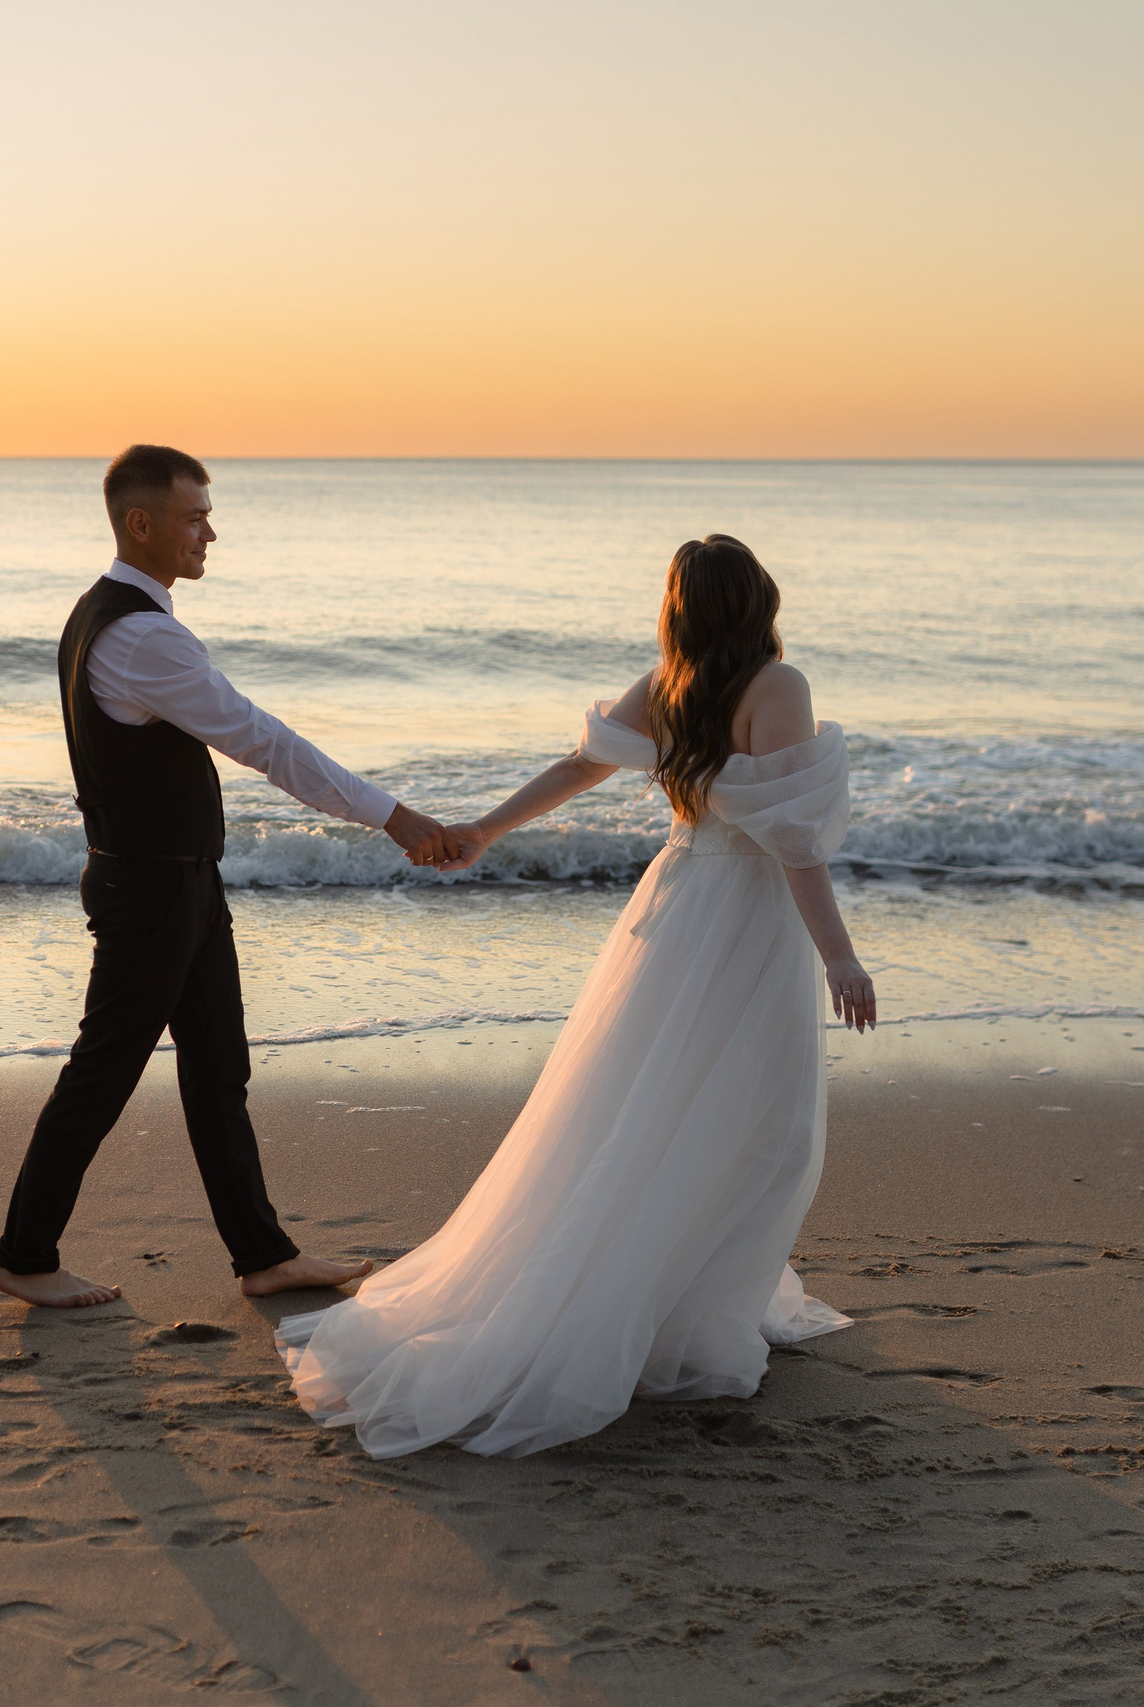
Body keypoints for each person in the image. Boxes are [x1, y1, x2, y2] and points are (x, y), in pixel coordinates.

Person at [274, 534, 874, 1456]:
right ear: (760, 597)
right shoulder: (776, 687)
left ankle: (680, 1301)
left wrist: (488, 825)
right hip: (743, 916)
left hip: (678, 910)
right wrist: (839, 955)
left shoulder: (669, 680)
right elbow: (793, 838)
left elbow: (579, 765)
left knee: (649, 1113)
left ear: (682, 608)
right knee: (762, 1123)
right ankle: (687, 1322)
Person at [0, 446, 460, 1309]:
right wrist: (393, 814)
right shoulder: (140, 634)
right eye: (193, 514)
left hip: (178, 883)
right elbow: (262, 740)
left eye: (207, 512)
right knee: (103, 1071)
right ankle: (24, 1254)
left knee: (218, 1070)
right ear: (141, 523)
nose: (210, 530)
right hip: (152, 891)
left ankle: (263, 1255)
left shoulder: (103, 614)